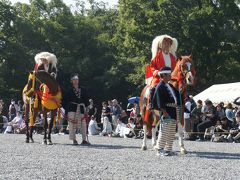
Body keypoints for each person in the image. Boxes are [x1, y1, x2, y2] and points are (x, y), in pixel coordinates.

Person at [152, 66, 182, 156]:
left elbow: (177, 94)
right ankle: (159, 149)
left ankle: (168, 149)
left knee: (171, 131)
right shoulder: (160, 86)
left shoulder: (169, 85)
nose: (170, 76)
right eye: (169, 75)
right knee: (164, 131)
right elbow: (159, 100)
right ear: (163, 76)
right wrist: (164, 111)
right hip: (166, 110)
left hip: (173, 110)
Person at [63, 73, 90, 145]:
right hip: (71, 109)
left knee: (83, 124)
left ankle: (84, 139)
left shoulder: (83, 90)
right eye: (74, 80)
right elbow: (64, 101)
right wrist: (67, 110)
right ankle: (73, 139)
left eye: (77, 79)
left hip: (81, 108)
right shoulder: (69, 91)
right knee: (72, 124)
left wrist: (87, 109)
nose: (75, 81)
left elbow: (86, 100)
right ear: (71, 81)